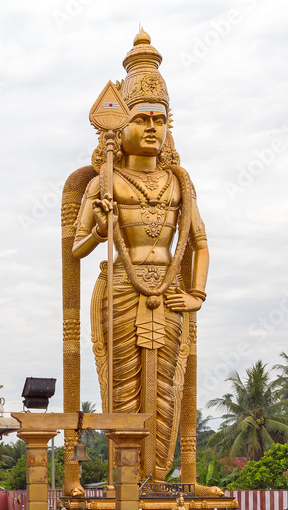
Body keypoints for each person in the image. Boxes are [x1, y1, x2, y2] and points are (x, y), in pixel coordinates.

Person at [72, 30, 211, 487]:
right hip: (120, 289)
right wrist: (99, 225)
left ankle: (167, 478)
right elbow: (76, 248)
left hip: (170, 293)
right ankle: (122, 481)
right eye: (143, 118)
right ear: (120, 126)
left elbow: (200, 244)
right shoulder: (104, 182)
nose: (153, 128)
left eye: (161, 120)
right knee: (122, 386)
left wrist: (197, 295)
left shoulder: (180, 184)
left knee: (170, 385)